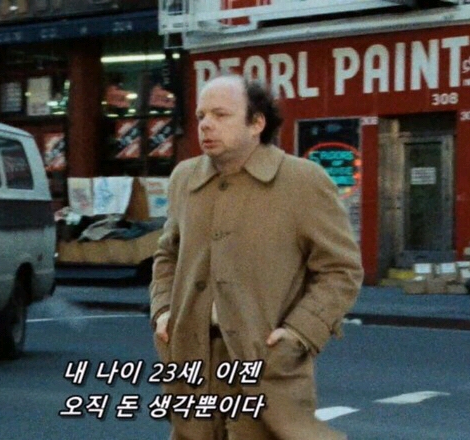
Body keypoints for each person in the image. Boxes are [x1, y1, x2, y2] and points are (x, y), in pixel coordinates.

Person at [149, 74, 364, 440]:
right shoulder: (185, 178)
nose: (206, 124)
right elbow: (168, 252)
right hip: (191, 359)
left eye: (220, 114)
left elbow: (341, 269)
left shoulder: (302, 181)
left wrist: (299, 333)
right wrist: (163, 311)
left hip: (264, 359)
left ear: (257, 123)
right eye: (201, 115)